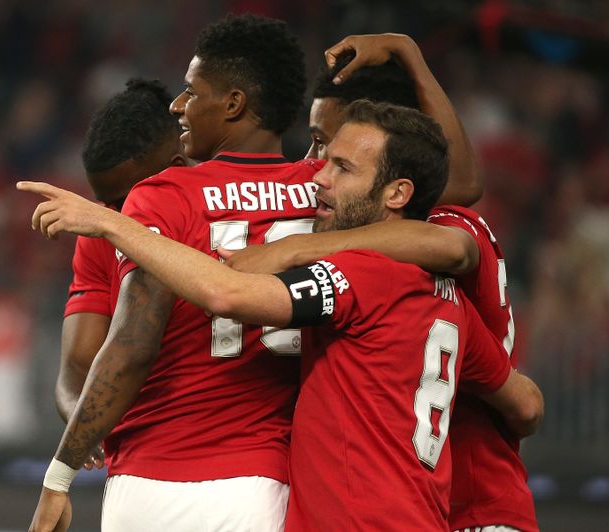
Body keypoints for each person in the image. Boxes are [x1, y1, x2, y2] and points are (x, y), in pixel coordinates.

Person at [20, 99, 544, 530]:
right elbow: (526, 405)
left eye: (341, 167)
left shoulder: (358, 277)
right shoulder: (452, 304)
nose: (320, 178)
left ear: (397, 193)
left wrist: (110, 224)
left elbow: (225, 294)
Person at [224, 34, 539, 531]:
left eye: (330, 148)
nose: (313, 163)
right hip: (439, 504)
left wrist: (294, 249)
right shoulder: (403, 229)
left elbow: (454, 245)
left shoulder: (439, 235)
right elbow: (525, 407)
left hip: (469, 501)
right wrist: (410, 53)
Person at [27, 14, 316, 532]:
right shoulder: (327, 193)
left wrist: (60, 473)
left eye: (191, 91)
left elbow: (132, 345)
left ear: (233, 104)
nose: (179, 104)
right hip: (260, 485)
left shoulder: (164, 195)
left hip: (149, 483)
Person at [55, 79, 187, 471]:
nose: (117, 212)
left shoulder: (218, 215)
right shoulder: (101, 232)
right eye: (106, 202)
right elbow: (74, 371)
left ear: (176, 166)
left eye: (127, 197)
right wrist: (82, 423)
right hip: (142, 462)